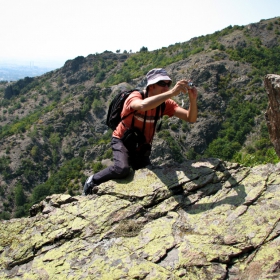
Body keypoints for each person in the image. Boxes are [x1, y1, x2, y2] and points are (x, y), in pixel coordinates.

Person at [83, 68, 198, 195]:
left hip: (141, 146)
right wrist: (171, 92)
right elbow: (142, 105)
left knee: (148, 176)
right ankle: (92, 180)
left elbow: (190, 118)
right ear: (151, 86)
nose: (166, 87)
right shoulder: (135, 96)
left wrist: (193, 99)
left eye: (168, 84)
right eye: (162, 84)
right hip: (122, 140)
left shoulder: (164, 104)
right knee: (122, 169)